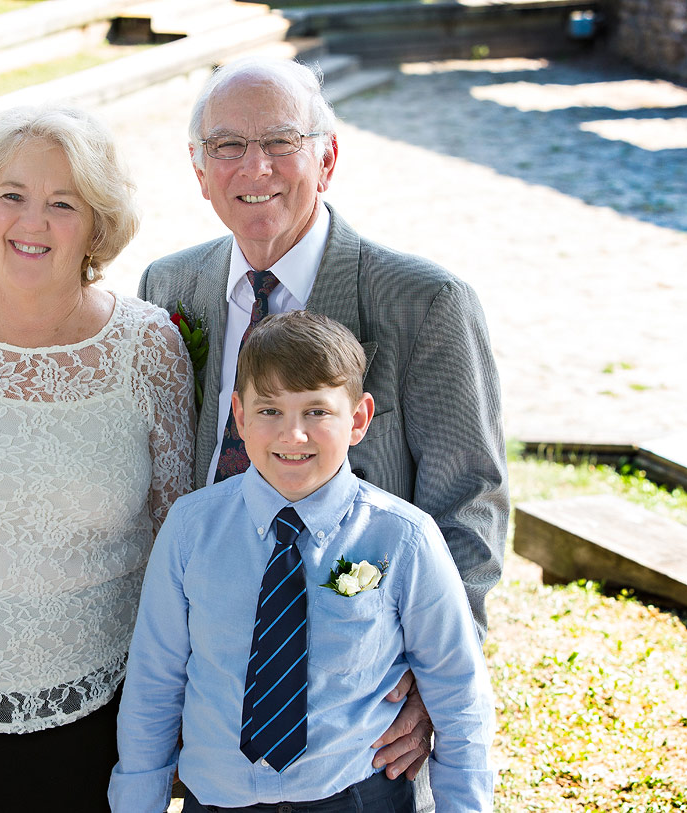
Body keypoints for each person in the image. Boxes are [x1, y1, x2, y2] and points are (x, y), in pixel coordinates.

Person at [138, 56, 508, 800]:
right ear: (198, 168)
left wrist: (431, 680)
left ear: (328, 157)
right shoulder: (168, 288)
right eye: (227, 146)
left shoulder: (423, 302)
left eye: (280, 141)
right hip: (207, 677)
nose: (256, 167)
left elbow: (470, 499)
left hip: (353, 698)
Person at [0, 104, 193, 812]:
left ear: (96, 224)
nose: (32, 221)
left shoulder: (150, 349)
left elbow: (177, 543)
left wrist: (169, 721)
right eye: (12, 195)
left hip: (102, 720)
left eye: (62, 203)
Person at [111, 310, 495, 812]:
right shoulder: (191, 529)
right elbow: (154, 682)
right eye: (270, 411)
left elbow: (459, 691)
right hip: (219, 797)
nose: (293, 435)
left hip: (356, 794)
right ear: (239, 417)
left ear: (358, 419)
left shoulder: (403, 539)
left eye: (317, 411)